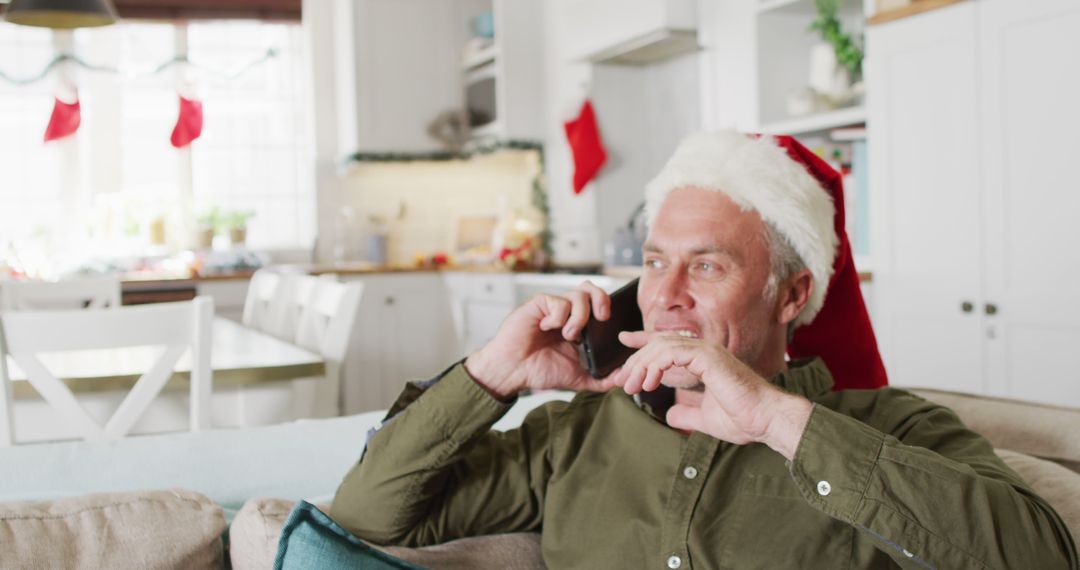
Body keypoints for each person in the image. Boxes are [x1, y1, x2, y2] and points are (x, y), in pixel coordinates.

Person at [331, 131, 1077, 569]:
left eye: (708, 266)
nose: (665, 295)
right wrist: (495, 374)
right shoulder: (575, 433)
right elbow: (367, 514)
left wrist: (773, 418)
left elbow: (1041, 555)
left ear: (790, 296)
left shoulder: (889, 426)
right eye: (655, 262)